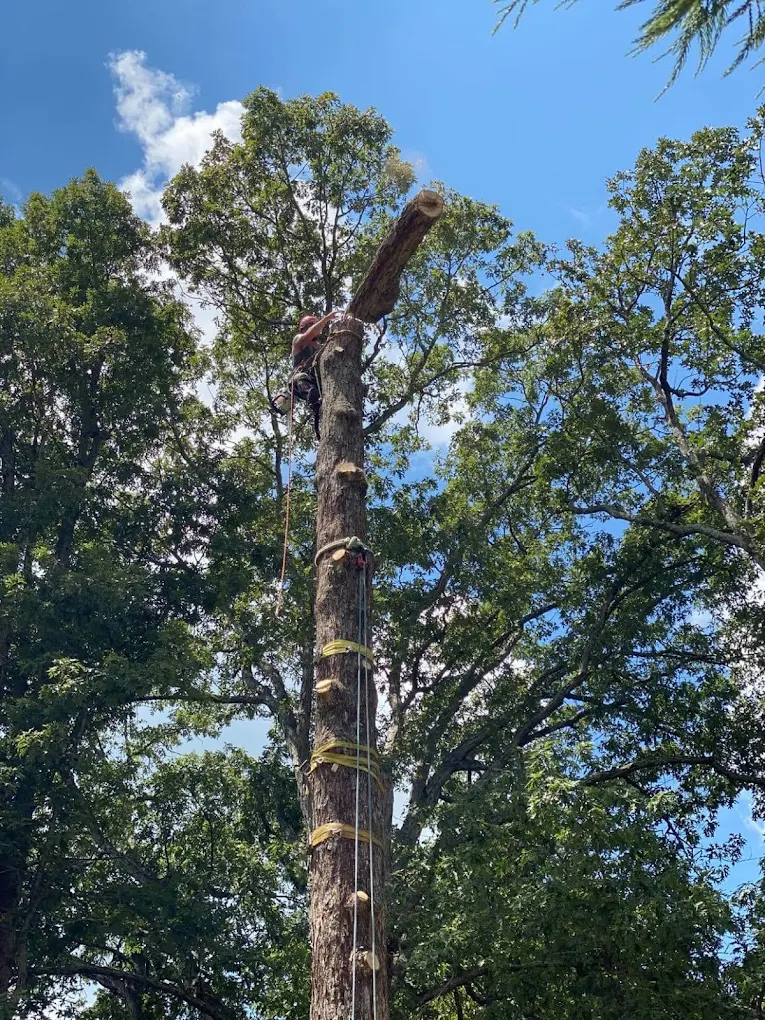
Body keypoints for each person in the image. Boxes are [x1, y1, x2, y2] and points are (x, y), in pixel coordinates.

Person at [271, 311, 341, 437]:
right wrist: (326, 319)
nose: (317, 328)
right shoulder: (298, 340)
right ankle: (315, 400)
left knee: (323, 391)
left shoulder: (320, 348)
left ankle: (321, 408)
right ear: (304, 328)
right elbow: (309, 335)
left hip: (316, 382)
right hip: (299, 380)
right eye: (312, 325)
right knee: (303, 379)